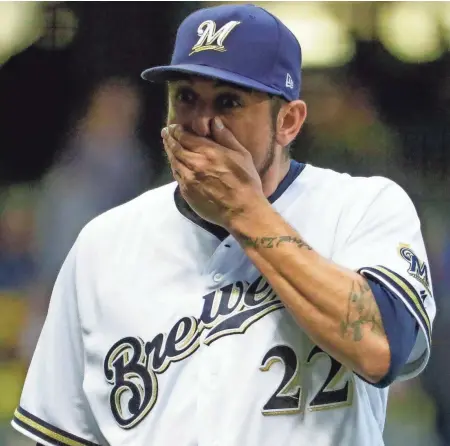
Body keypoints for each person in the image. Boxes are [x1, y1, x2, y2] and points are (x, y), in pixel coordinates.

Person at [11, 4, 435, 446]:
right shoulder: (104, 243)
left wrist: (243, 212)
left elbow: (381, 348)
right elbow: (62, 434)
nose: (200, 123)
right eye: (186, 97)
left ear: (287, 122)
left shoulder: (361, 208)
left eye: (229, 101)